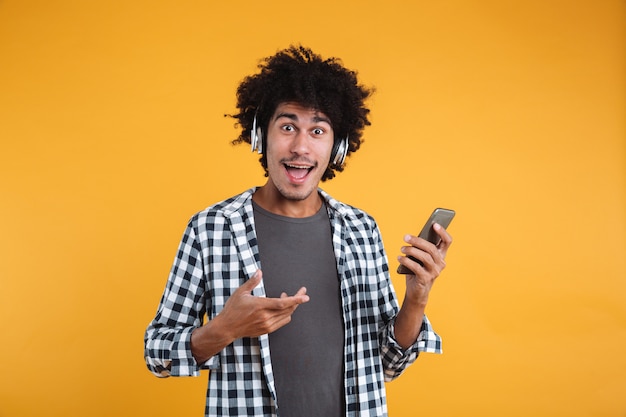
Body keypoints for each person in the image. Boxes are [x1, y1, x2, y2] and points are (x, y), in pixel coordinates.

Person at [144, 45, 452, 417]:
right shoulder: (211, 228)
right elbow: (156, 353)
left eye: (317, 131)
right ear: (262, 134)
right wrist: (223, 329)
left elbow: (388, 363)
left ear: (336, 146)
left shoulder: (361, 229)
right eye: (287, 126)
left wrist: (417, 298)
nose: (301, 147)